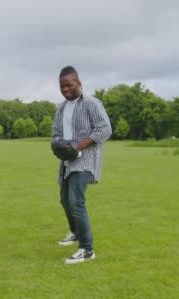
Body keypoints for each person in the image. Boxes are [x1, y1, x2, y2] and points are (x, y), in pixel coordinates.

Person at [51, 66, 112, 264]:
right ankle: (76, 232)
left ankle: (86, 249)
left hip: (85, 159)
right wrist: (60, 146)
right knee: (64, 200)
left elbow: (105, 129)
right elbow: (56, 134)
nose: (65, 89)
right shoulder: (61, 108)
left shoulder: (92, 103)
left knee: (76, 201)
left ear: (79, 83)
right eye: (62, 86)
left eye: (69, 85)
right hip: (67, 161)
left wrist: (78, 146)